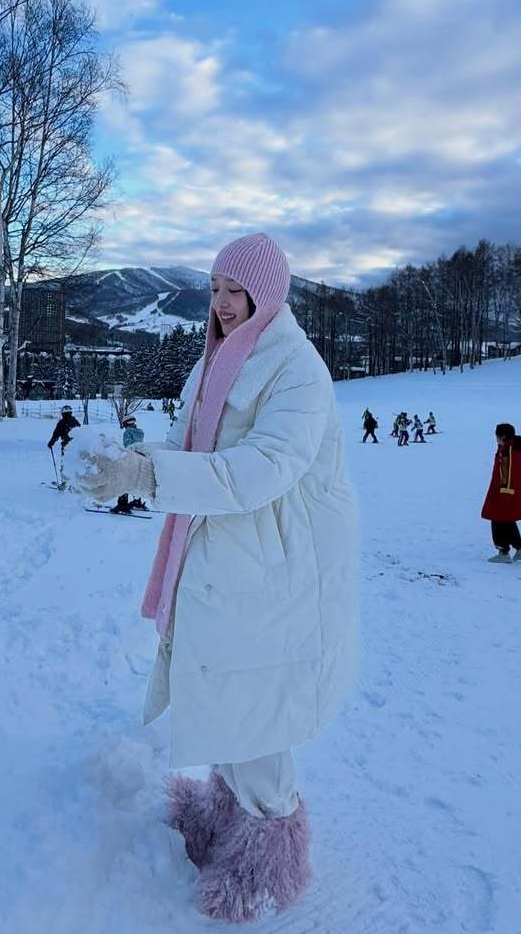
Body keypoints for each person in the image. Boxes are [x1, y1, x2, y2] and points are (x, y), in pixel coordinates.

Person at [81, 233, 359, 922]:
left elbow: (263, 468)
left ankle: (269, 861)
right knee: (226, 690)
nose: (223, 304)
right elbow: (188, 446)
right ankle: (221, 815)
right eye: (214, 289)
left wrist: (153, 475)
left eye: (236, 291)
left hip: (277, 565)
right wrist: (129, 465)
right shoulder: (215, 361)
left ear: (268, 295)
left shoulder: (297, 369)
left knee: (258, 705)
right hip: (222, 554)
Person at [481, 422, 521, 562]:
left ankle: (503, 552)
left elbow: (506, 475)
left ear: (502, 436)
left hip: (504, 493)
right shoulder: (513, 448)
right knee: (507, 520)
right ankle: (520, 547)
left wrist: (504, 494)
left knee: (497, 518)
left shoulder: (507, 451)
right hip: (511, 492)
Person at [112, 415, 146, 514]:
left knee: (124, 481)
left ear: (126, 423)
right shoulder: (140, 432)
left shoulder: (127, 433)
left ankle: (122, 505)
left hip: (130, 460)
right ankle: (137, 501)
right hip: (140, 459)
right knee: (136, 481)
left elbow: (128, 447)